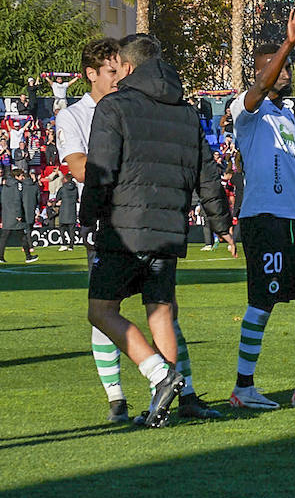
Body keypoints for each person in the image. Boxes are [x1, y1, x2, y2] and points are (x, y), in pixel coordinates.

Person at [81, 34, 234, 428]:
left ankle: (158, 375)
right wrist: (221, 223)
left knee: (101, 311)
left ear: (127, 67)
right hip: (169, 230)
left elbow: (101, 170)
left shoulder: (114, 106)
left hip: (124, 229)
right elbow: (208, 174)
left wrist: (87, 218)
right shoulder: (185, 111)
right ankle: (165, 405)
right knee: (161, 314)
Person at [227, 2, 295, 410]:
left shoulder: (288, 118)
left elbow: (288, 170)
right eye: (276, 65)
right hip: (264, 219)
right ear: (260, 72)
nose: (284, 70)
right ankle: (243, 387)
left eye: (286, 63)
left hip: (293, 219)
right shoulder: (245, 109)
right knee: (262, 301)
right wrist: (288, 45)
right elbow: (257, 91)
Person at [0, 168, 38, 263]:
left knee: (4, 237)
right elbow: (17, 200)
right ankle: (28, 257)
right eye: (21, 176)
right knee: (22, 236)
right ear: (16, 176)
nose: (22, 177)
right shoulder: (17, 185)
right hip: (15, 215)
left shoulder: (5, 185)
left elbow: (3, 200)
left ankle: (0, 257)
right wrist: (18, 214)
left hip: (6, 214)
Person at [55, 173, 79, 250]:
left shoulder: (62, 189)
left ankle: (64, 244)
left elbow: (57, 198)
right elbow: (77, 198)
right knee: (72, 230)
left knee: (62, 228)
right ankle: (71, 246)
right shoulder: (75, 189)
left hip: (64, 211)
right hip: (72, 211)